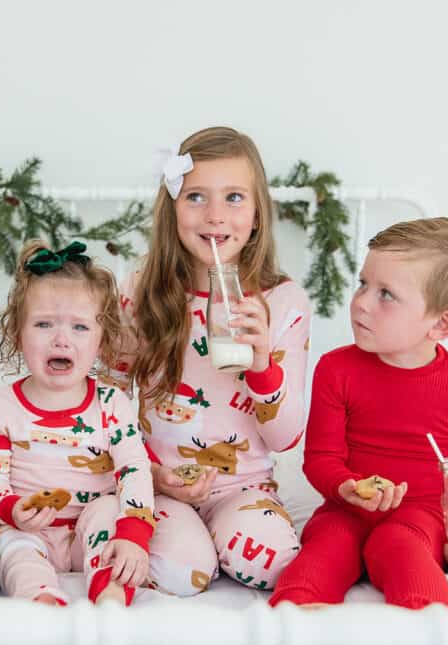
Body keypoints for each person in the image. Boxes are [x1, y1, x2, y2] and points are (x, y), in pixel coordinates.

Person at [267, 217, 448, 645]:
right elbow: (320, 460)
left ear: (441, 324)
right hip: (347, 504)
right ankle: (290, 631)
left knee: (401, 546)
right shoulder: (337, 370)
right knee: (325, 545)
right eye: (362, 284)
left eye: (386, 295)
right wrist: (347, 488)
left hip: (419, 514)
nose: (361, 304)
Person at [110, 126, 312, 596]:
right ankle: (189, 541)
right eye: (196, 196)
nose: (216, 215)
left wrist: (263, 364)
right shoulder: (141, 290)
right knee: (184, 574)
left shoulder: (282, 301)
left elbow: (285, 438)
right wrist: (150, 475)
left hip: (243, 487)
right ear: (172, 209)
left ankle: (225, 539)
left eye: (235, 198)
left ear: (258, 212)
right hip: (156, 482)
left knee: (275, 569)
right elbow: (108, 403)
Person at [0, 240, 155, 606]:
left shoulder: (112, 405)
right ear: (17, 335)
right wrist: (12, 510)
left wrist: (134, 533)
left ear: (103, 341)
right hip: (29, 529)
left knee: (108, 512)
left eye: (80, 327)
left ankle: (111, 594)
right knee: (11, 547)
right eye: (43, 324)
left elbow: (134, 469)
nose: (61, 339)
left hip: (90, 524)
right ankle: (41, 600)